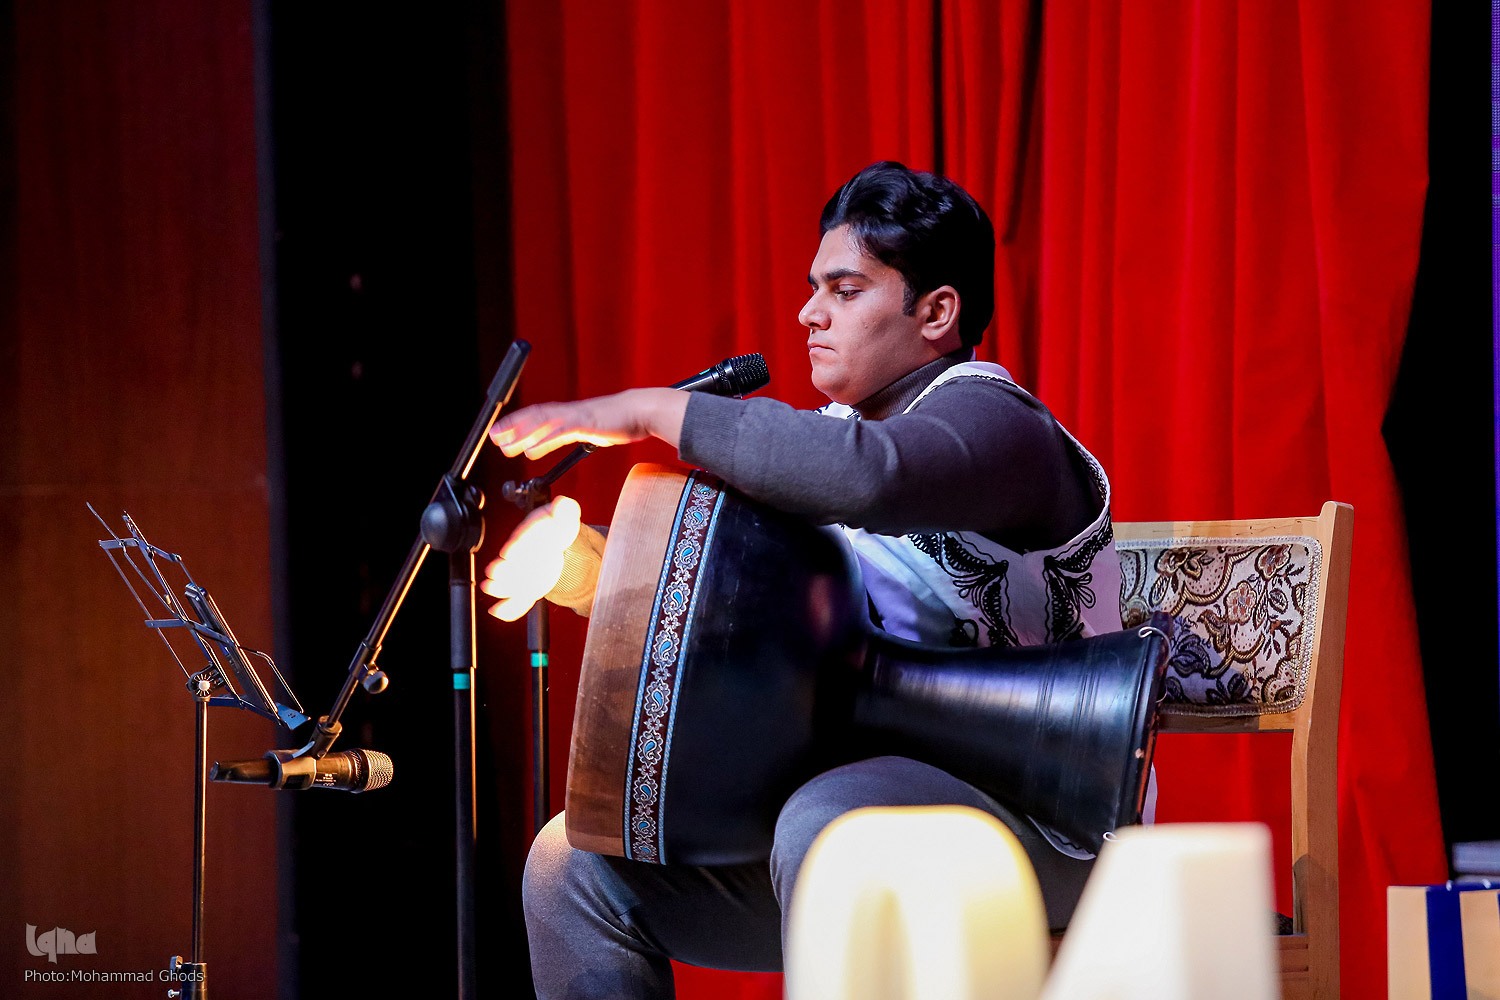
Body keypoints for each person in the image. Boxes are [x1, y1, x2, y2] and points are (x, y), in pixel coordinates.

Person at [487, 160, 1129, 999]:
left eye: (845, 290)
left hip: (1049, 826)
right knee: (572, 863)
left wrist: (647, 410)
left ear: (937, 312)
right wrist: (580, 566)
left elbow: (873, 477)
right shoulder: (827, 441)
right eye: (813, 288)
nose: (809, 313)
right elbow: (728, 604)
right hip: (862, 827)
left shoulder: (1001, 426)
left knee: (829, 821)